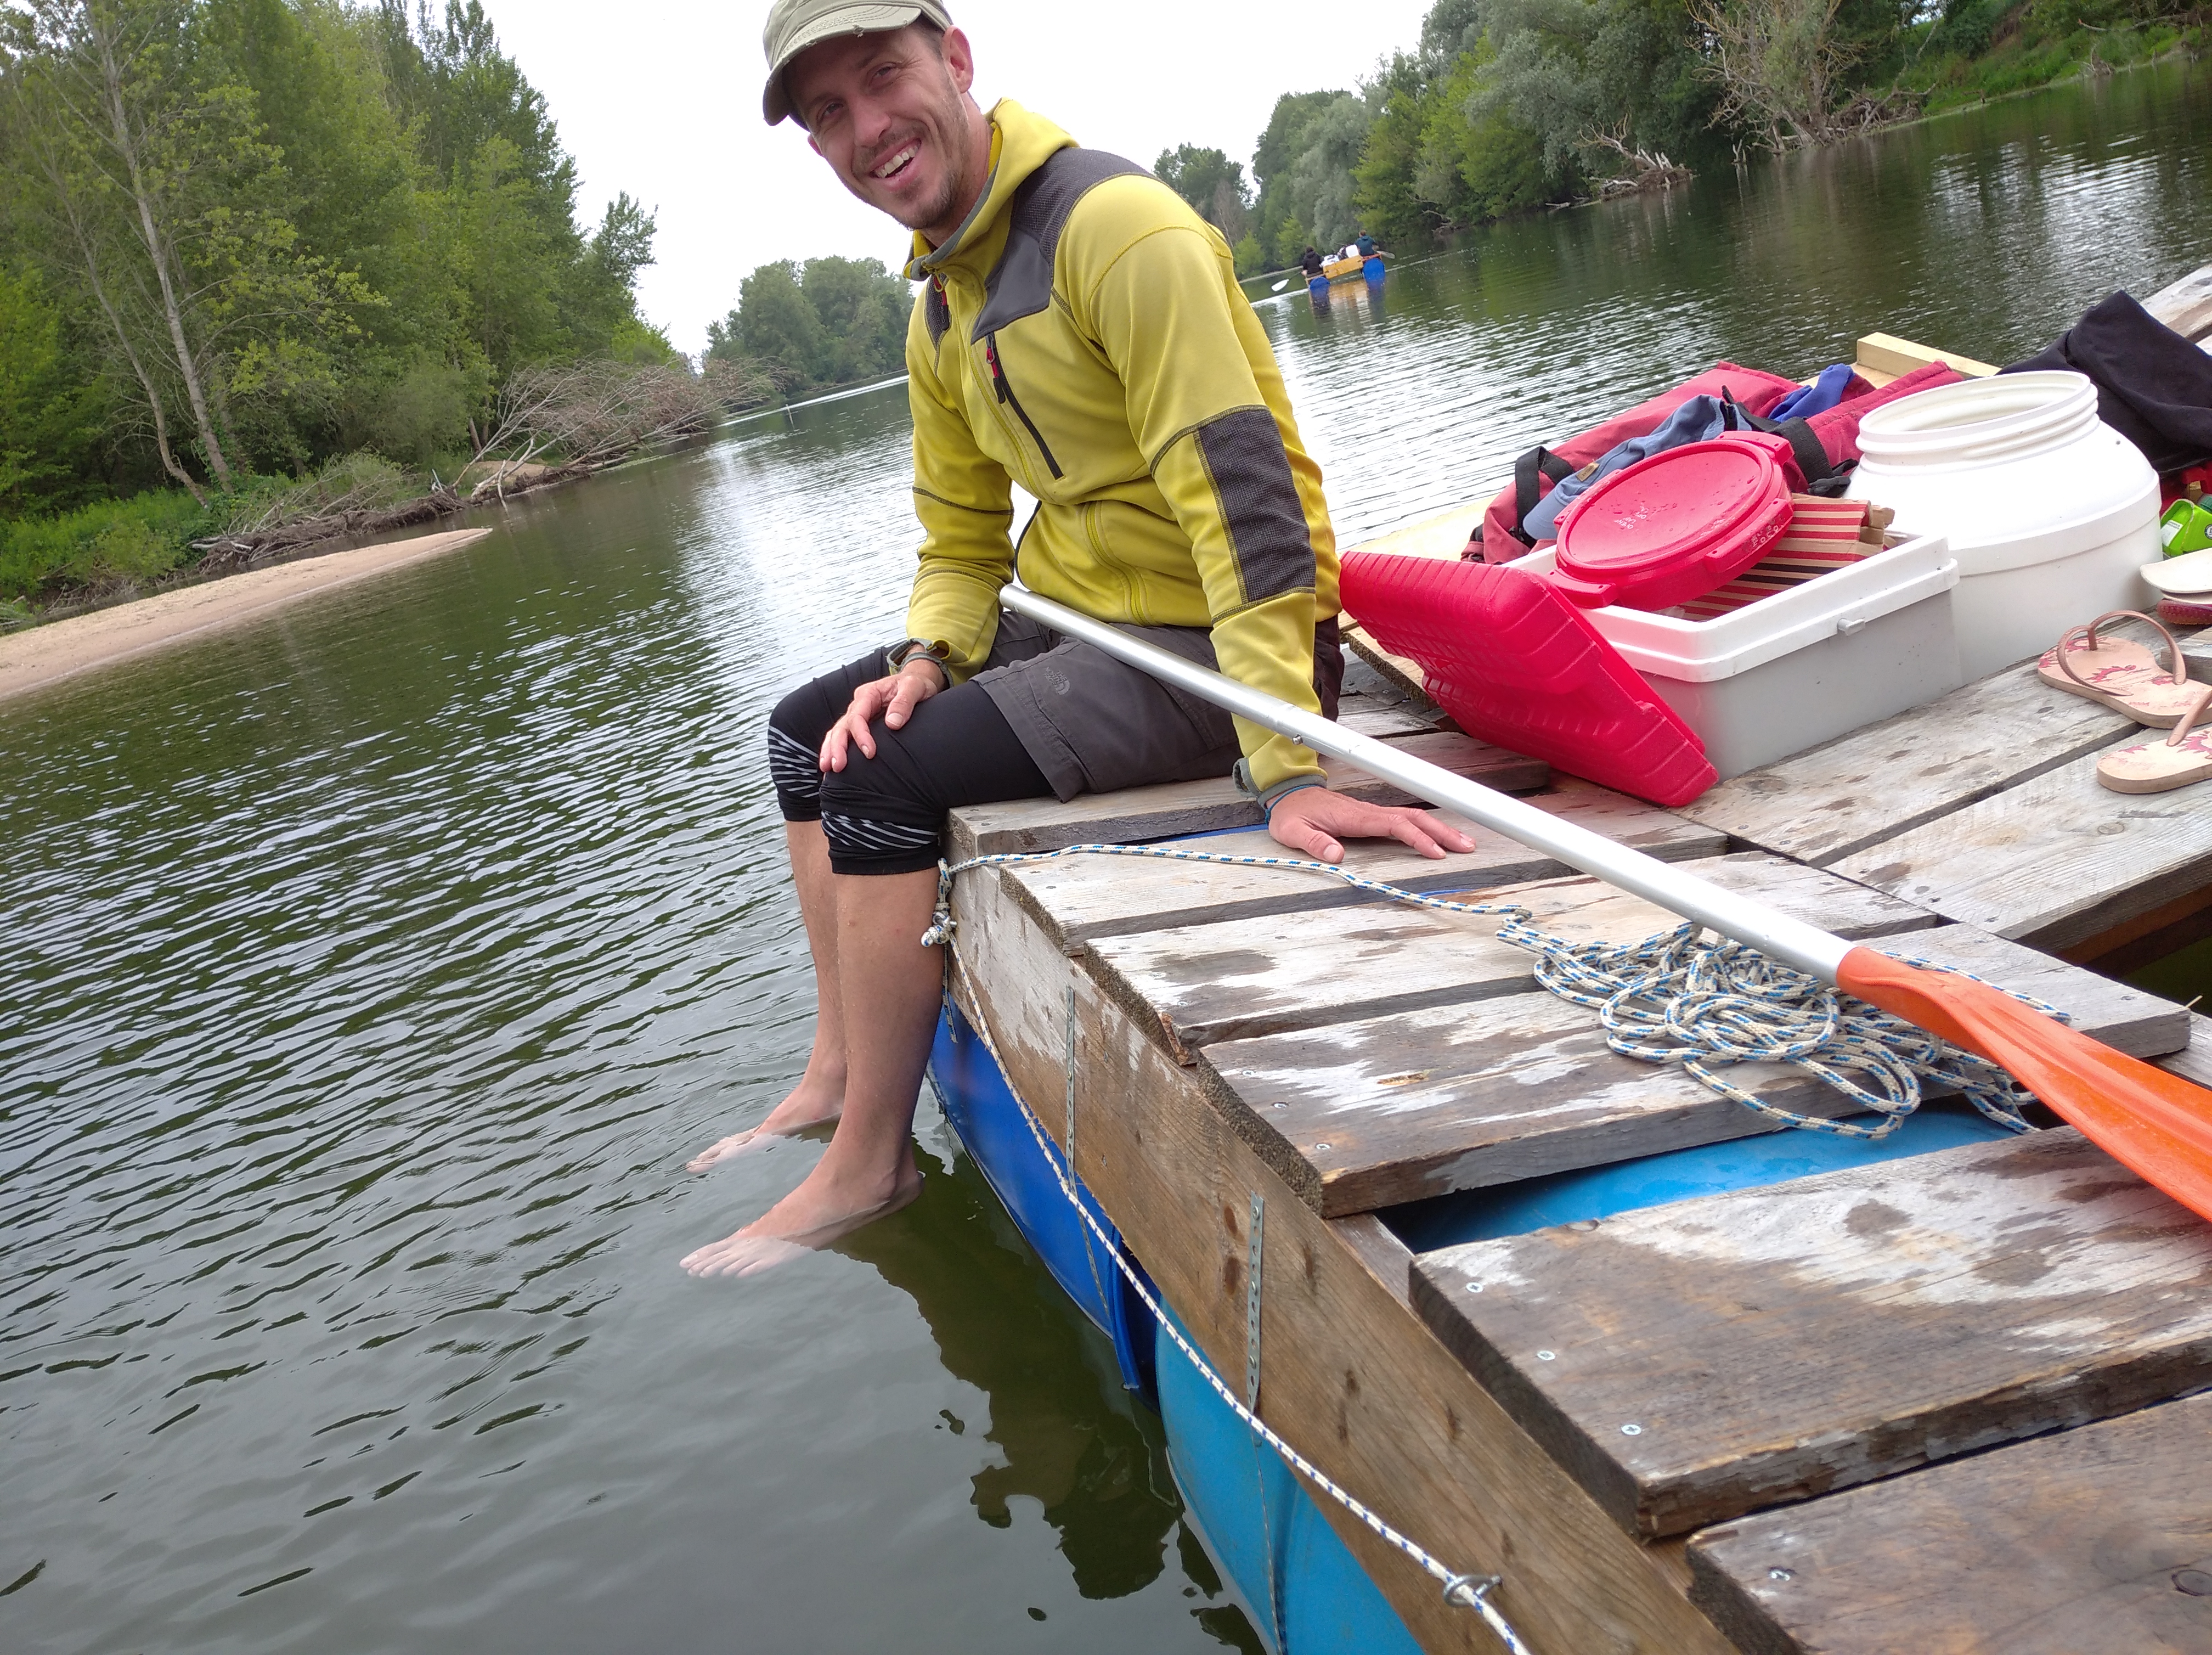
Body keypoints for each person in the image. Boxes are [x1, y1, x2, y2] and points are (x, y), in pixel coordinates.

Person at [680, 0, 1471, 1279]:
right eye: (829, 112)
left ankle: (871, 1162)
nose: (868, 127)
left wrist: (1287, 760)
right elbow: (959, 541)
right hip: (1083, 624)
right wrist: (927, 658)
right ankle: (834, 1068)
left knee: (882, 779)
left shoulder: (1117, 229)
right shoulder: (941, 310)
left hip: (1223, 644)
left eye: (884, 78)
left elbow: (1249, 510)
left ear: (958, 59)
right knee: (805, 732)